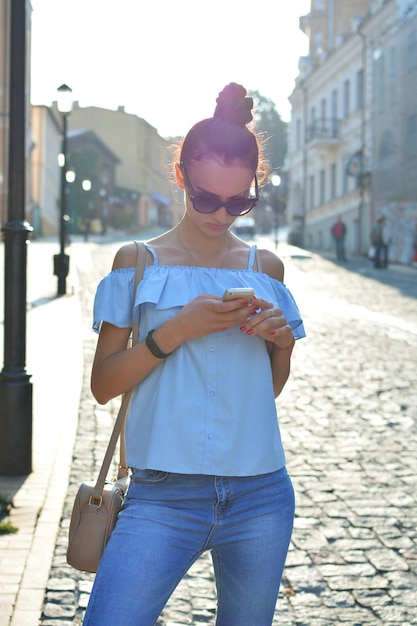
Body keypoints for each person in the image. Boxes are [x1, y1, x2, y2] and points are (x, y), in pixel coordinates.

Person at [83, 83, 306, 626]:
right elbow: (104, 385)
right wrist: (176, 330)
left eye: (239, 201)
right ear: (181, 178)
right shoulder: (137, 263)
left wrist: (279, 342)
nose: (220, 214)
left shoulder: (265, 268)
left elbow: (270, 389)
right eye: (206, 198)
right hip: (162, 496)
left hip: (260, 494)